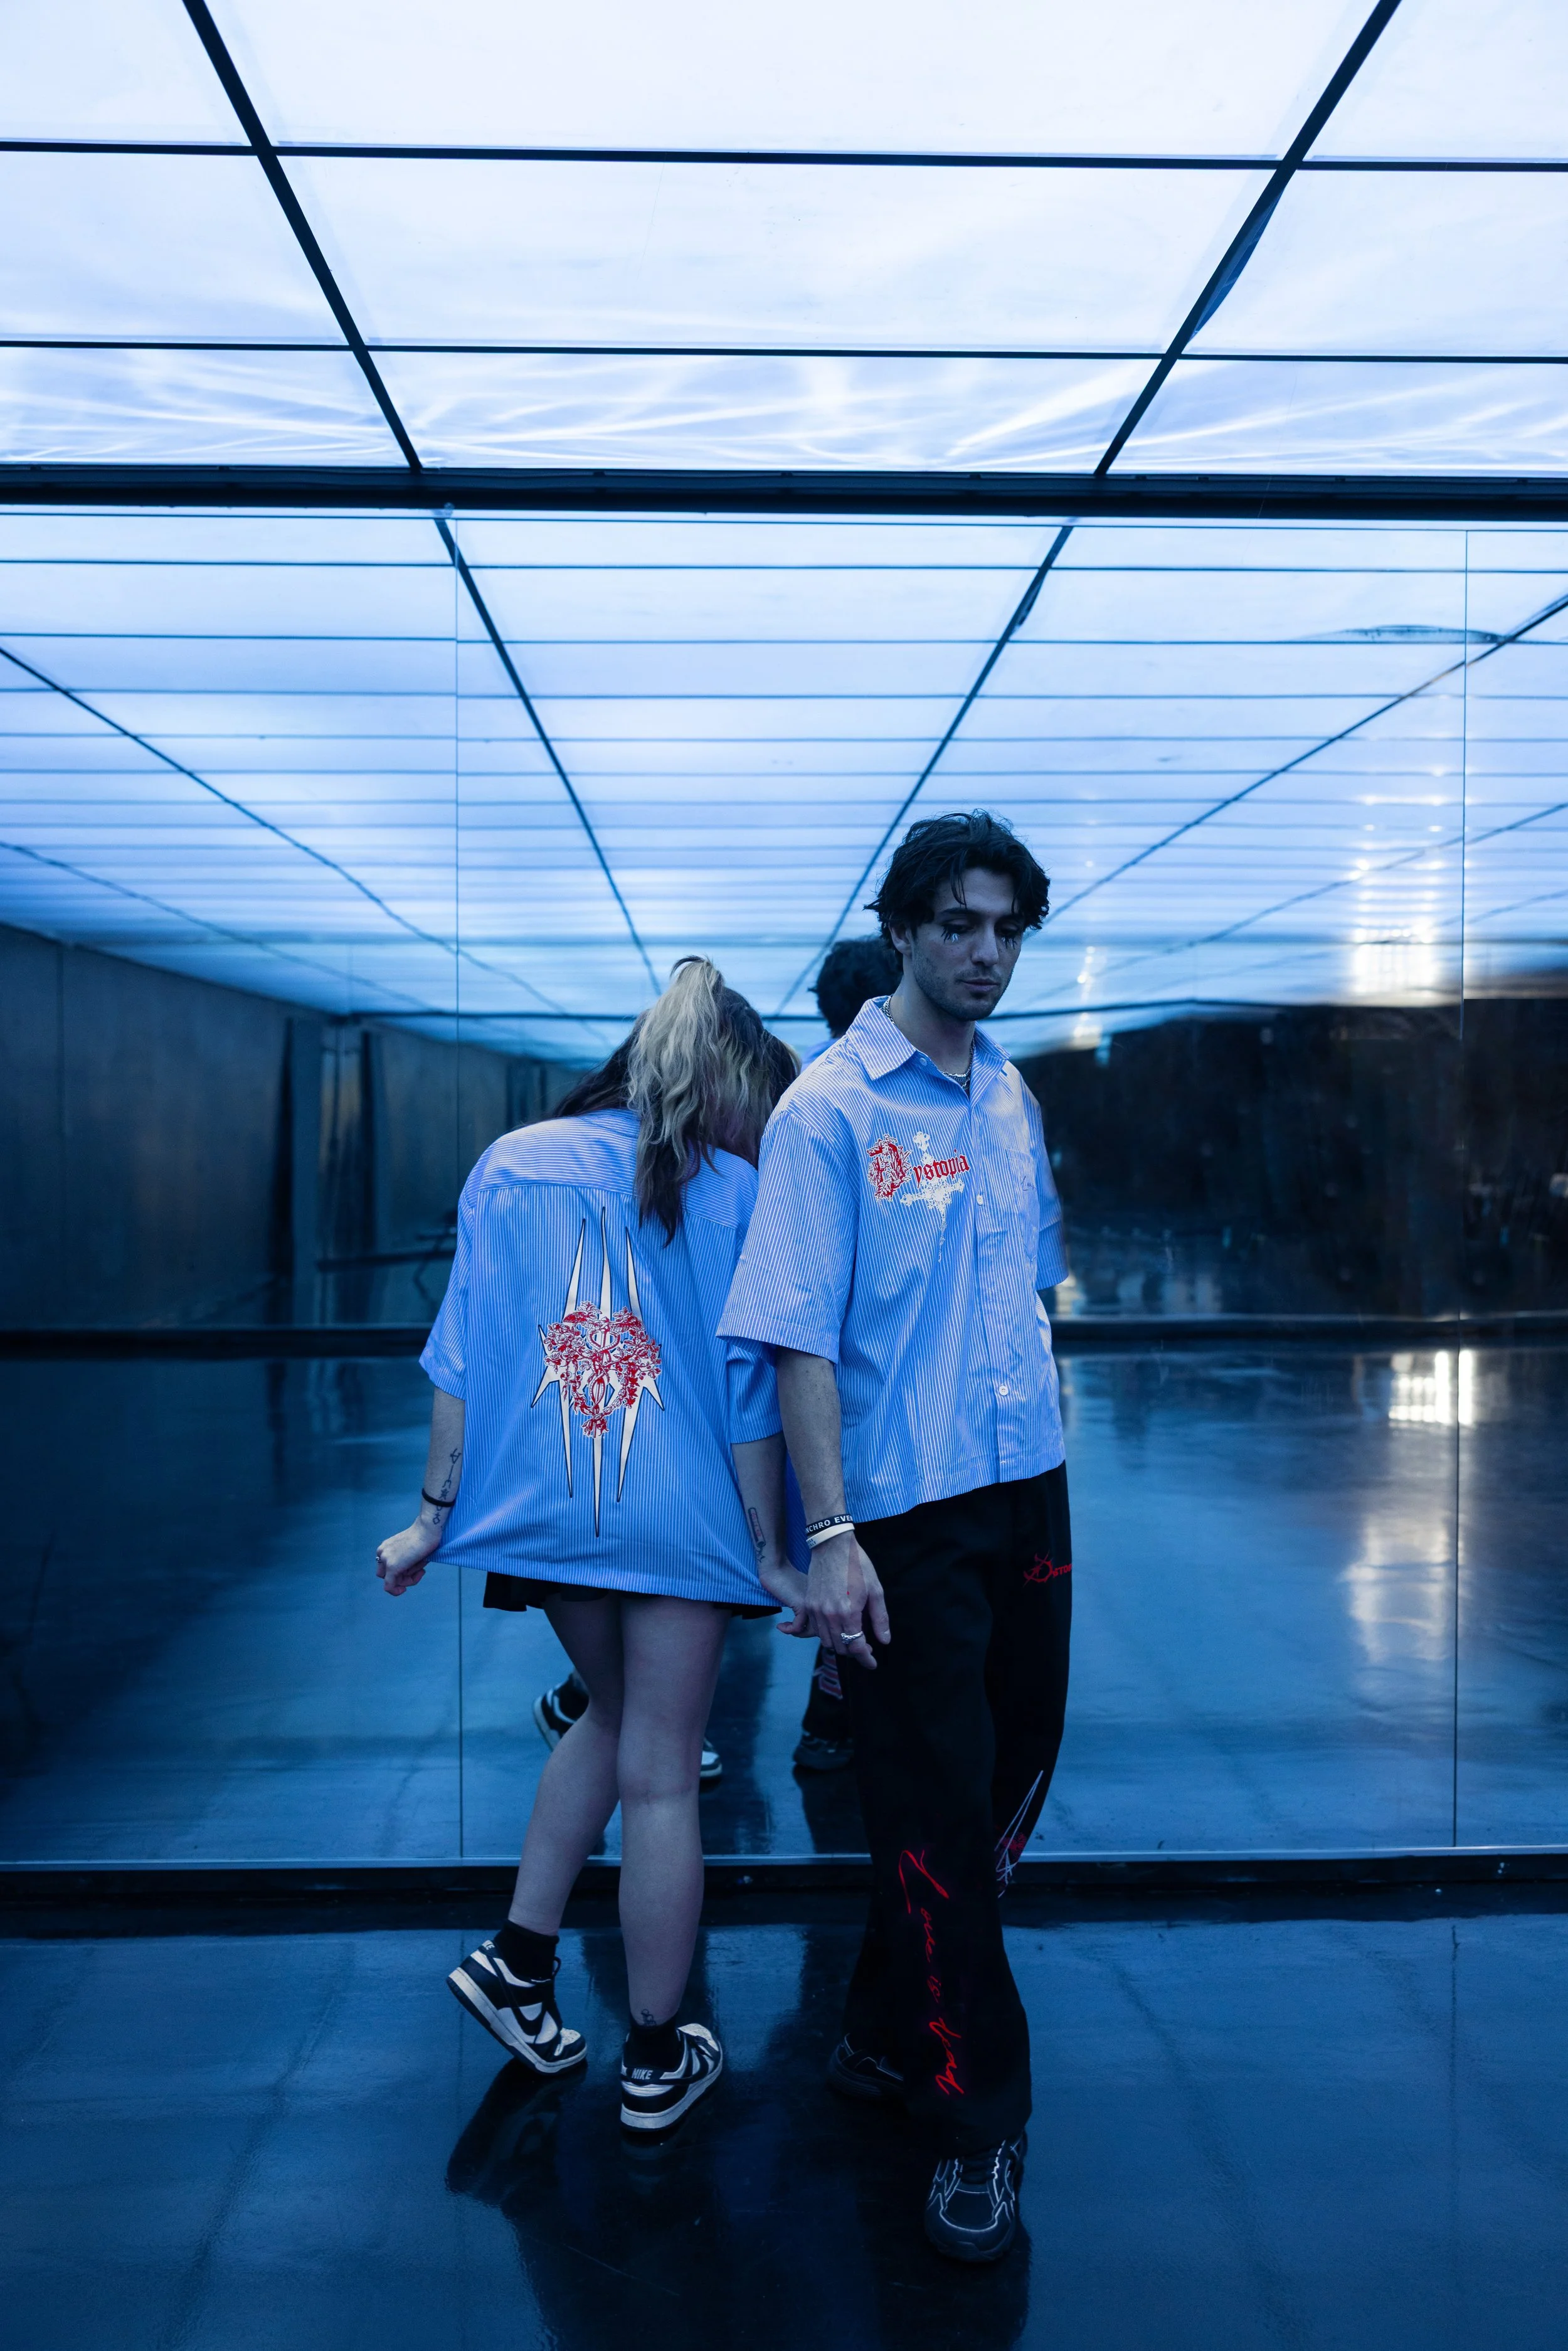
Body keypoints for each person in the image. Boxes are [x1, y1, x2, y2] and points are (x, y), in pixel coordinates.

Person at [719, 810, 1073, 2264]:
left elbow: (1026, 1287)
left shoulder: (1008, 1097)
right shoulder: (827, 1110)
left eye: (1005, 929)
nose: (983, 952)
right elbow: (795, 1341)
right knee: (928, 1806)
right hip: (902, 1517)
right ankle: (973, 2124)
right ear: (906, 926)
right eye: (958, 925)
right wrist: (832, 1535)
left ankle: (878, 2026)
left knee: (1001, 1786)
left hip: (1027, 1485)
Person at [376, 958, 805, 2136]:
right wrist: (778, 1555)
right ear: (727, 1088)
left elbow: (459, 1357)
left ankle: (520, 1961)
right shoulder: (732, 1194)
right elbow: (752, 1398)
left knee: (609, 1720)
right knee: (663, 1773)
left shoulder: (509, 1163)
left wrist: (429, 1518)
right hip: (683, 1529)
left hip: (556, 1522)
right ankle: (660, 2056)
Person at [793, 935, 903, 1773]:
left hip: (815, 1400)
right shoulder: (882, 1104)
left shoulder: (805, 1102)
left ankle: (831, 1720)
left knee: (833, 1558)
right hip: (883, 1400)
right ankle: (837, 1720)